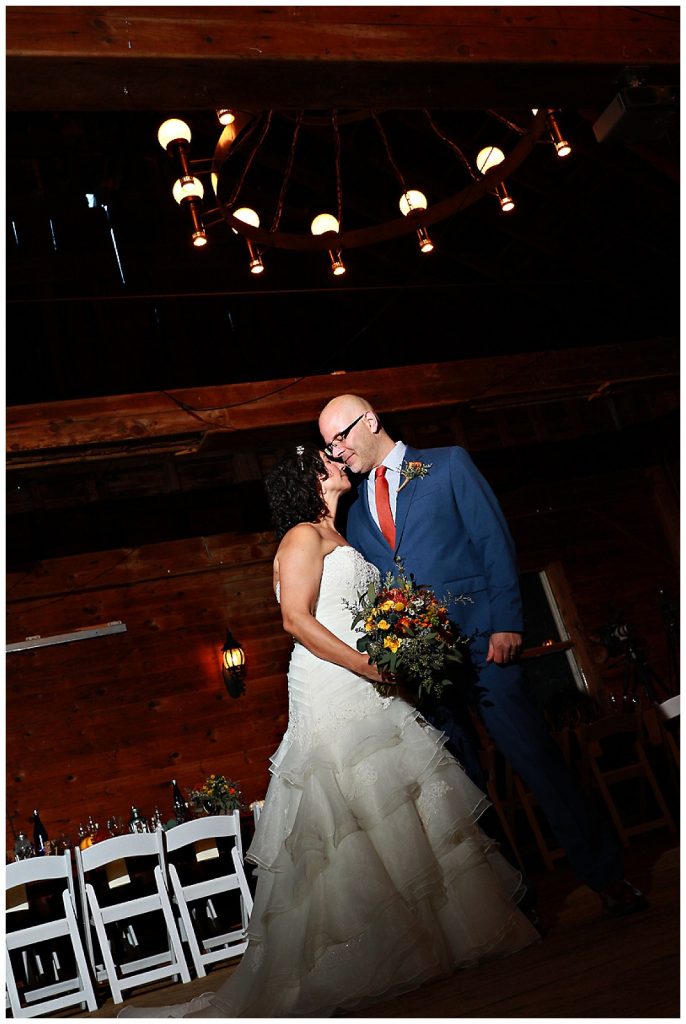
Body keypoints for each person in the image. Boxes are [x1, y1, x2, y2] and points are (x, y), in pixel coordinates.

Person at [120, 443, 538, 1019]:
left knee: (400, 797)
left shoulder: (341, 536)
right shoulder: (301, 537)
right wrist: (368, 664)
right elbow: (296, 618)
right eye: (329, 460)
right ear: (311, 478)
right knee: (351, 807)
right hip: (332, 683)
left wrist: (400, 645)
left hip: (372, 681)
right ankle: (376, 948)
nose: (341, 462)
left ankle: (443, 937)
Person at [318, 394, 647, 918]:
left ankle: (607, 876)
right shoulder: (354, 512)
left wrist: (508, 621)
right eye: (327, 444)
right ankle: (514, 902)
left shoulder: (448, 464)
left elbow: (493, 541)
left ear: (372, 421)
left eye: (340, 436)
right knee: (462, 786)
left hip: (483, 645)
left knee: (536, 760)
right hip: (423, 671)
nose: (335, 451)